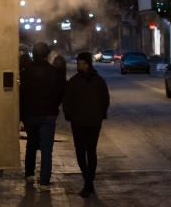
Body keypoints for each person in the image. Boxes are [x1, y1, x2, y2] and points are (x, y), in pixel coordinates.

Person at [62, 50, 110, 197]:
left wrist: (100, 115)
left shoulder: (97, 81)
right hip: (81, 122)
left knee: (89, 151)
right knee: (82, 152)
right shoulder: (75, 81)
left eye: (82, 64)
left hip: (90, 122)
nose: (79, 66)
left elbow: (105, 100)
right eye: (78, 63)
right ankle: (88, 181)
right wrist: (70, 115)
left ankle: (88, 183)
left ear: (88, 64)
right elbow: (67, 101)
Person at [19, 41, 65, 187]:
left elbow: (22, 94)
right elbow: (59, 93)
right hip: (48, 114)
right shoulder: (53, 72)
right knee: (46, 148)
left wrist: (21, 114)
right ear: (47, 55)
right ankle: (44, 180)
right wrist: (54, 107)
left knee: (31, 144)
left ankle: (29, 175)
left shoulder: (26, 73)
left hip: (30, 114)